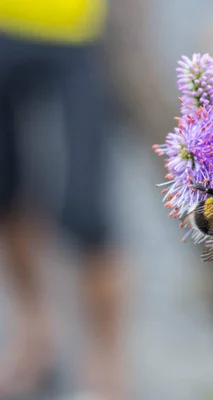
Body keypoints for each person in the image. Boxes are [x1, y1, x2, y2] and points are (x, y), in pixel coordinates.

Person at [0, 1, 125, 399]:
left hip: (77, 36)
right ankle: (36, 334)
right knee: (6, 193)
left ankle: (106, 369)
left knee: (87, 211)